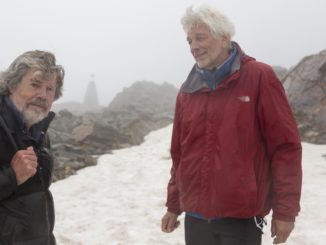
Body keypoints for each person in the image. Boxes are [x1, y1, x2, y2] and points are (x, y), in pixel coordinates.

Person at [161, 4, 302, 245]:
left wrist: (285, 211)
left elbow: (285, 148)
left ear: (224, 37)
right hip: (195, 219)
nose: (194, 46)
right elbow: (179, 154)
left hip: (241, 219)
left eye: (200, 38)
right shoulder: (187, 91)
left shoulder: (259, 77)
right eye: (189, 41)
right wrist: (174, 204)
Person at [0, 50, 64, 245]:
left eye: (50, 89)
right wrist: (12, 176)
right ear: (12, 85)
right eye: (35, 85)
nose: (43, 95)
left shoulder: (39, 131)